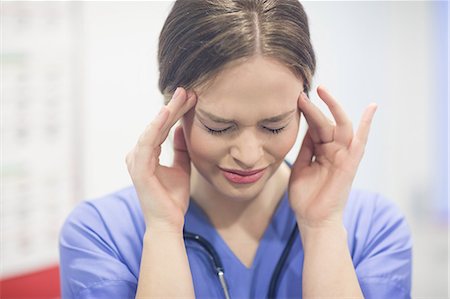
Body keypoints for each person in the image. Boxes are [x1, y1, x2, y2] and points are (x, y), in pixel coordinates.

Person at [59, 0, 412, 298]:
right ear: (172, 107)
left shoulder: (373, 229)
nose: (248, 154)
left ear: (303, 106)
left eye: (274, 125)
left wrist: (322, 228)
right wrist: (164, 231)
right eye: (219, 127)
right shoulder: (101, 234)